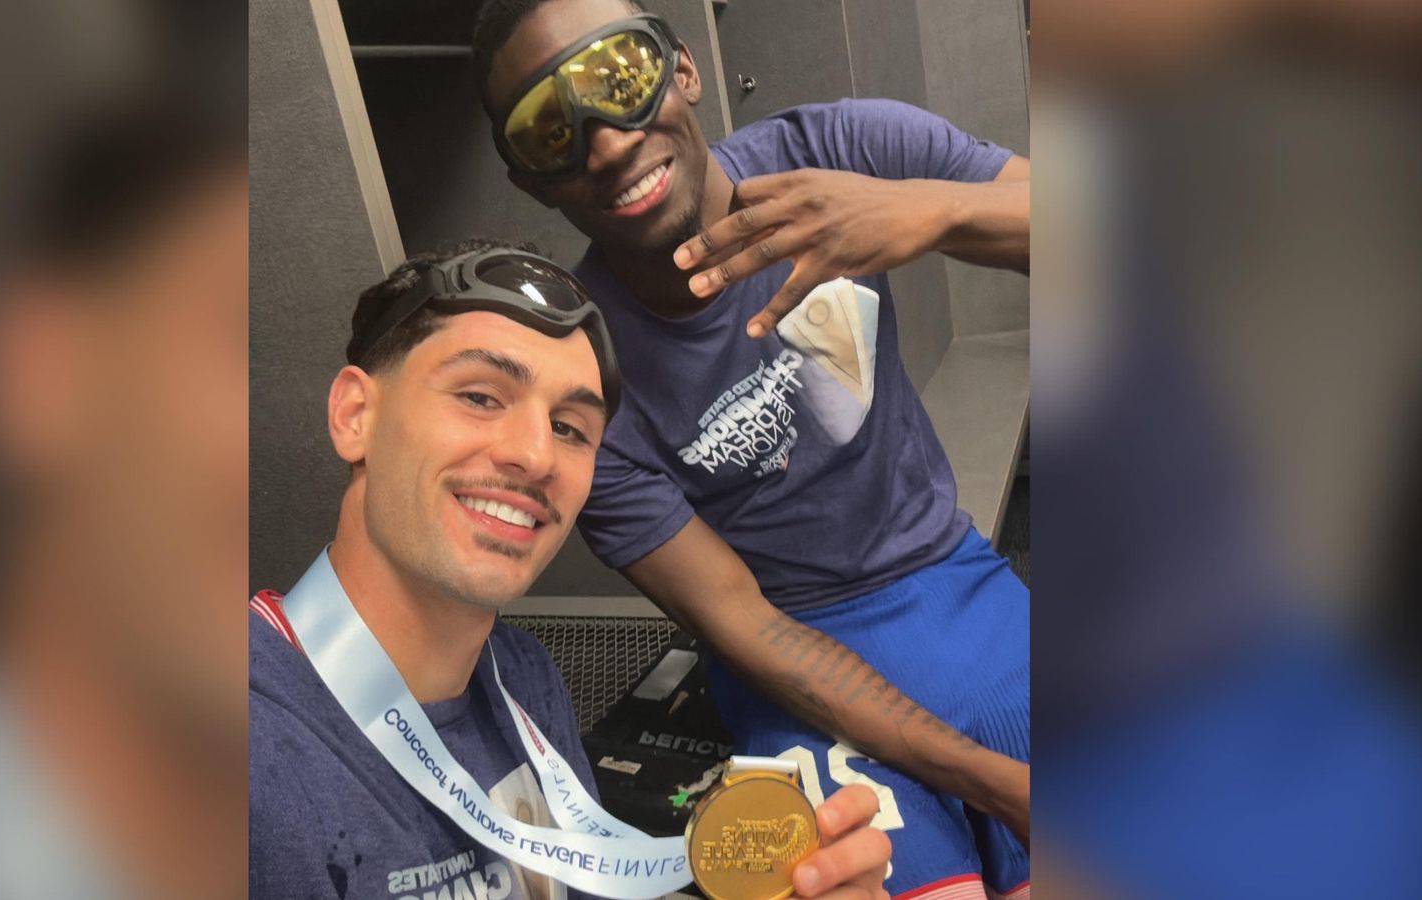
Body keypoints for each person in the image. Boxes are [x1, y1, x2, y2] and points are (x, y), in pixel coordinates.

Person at [473, 1, 1031, 897]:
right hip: (800, 671)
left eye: (619, 76)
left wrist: (929, 214)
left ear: (682, 69)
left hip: (956, 583)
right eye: (549, 130)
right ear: (530, 181)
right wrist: (993, 783)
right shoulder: (584, 378)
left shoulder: (844, 148)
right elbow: (749, 628)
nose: (608, 143)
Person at [248, 239, 894, 900]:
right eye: (479, 395)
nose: (535, 455)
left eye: (569, 428)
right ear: (356, 416)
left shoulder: (523, 676)